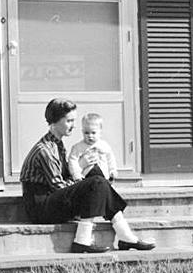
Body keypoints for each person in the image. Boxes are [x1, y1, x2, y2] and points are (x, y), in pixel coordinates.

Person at [20, 99, 155, 254]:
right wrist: (82, 168)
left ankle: (121, 236)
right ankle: (100, 238)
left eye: (74, 120)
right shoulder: (45, 150)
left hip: (51, 201)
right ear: (55, 121)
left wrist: (85, 173)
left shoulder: (58, 144)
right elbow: (59, 187)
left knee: (98, 179)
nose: (73, 125)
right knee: (96, 182)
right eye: (69, 120)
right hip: (41, 208)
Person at [67, 112, 118, 182]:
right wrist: (76, 174)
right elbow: (73, 161)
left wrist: (112, 171)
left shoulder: (104, 146)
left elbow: (110, 159)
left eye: (93, 133)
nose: (90, 136)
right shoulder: (78, 147)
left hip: (103, 176)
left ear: (100, 132)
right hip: (85, 177)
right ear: (82, 131)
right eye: (86, 133)